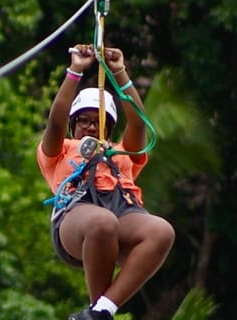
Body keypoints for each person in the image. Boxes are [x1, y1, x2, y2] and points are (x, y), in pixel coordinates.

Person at [37, 44, 176, 320]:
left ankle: (101, 311)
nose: (90, 127)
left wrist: (120, 72)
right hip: (77, 217)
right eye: (84, 121)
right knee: (103, 222)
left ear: (109, 129)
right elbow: (55, 123)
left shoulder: (121, 154)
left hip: (121, 210)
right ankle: (96, 309)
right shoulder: (60, 150)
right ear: (74, 125)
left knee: (162, 231)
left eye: (98, 123)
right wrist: (74, 71)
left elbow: (137, 125)